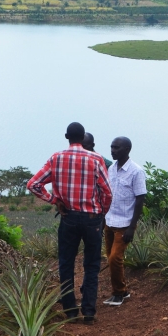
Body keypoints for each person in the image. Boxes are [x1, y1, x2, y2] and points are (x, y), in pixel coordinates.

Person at [27, 122, 113, 323]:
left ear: (67, 136)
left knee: (66, 263)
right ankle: (89, 312)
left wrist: (55, 200)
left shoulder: (56, 158)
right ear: (83, 137)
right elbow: (107, 192)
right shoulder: (96, 159)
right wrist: (102, 213)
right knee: (91, 265)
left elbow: (33, 184)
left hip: (68, 218)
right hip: (92, 219)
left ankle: (71, 311)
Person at [102, 136, 147, 307]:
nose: (113, 151)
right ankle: (123, 290)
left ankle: (118, 293)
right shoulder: (111, 169)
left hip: (124, 225)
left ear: (127, 150)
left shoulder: (136, 171)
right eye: (112, 147)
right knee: (111, 258)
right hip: (110, 220)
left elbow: (140, 200)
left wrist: (132, 227)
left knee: (115, 258)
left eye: (117, 148)